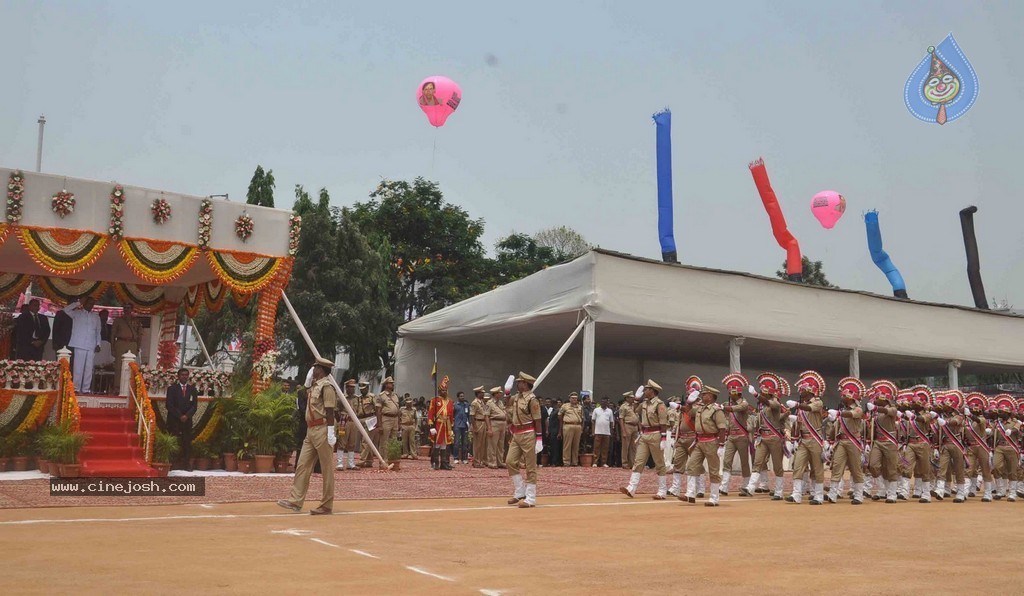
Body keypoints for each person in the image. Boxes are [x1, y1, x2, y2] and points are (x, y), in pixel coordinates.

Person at [278, 357, 337, 515]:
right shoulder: (314, 386)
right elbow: (302, 394)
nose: (313, 369)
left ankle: (326, 504)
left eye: (315, 367)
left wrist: (331, 432)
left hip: (323, 428)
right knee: (302, 465)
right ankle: (296, 500)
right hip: (311, 430)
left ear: (322, 369)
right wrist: (306, 382)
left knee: (326, 469)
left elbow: (330, 411)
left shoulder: (327, 387)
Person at [741, 373, 788, 500]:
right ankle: (750, 488)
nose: (762, 392)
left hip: (774, 437)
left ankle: (779, 491)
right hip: (763, 437)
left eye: (764, 390)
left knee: (777, 465)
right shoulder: (761, 406)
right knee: (758, 462)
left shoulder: (775, 403)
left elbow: (769, 402)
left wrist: (756, 395)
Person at [619, 380, 668, 500]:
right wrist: (636, 399)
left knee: (659, 463)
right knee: (638, 461)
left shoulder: (659, 404)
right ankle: (631, 488)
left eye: (647, 389)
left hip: (656, 434)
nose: (645, 391)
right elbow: (635, 410)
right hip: (645, 434)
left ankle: (662, 490)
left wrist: (663, 437)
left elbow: (663, 422)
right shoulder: (645, 403)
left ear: (652, 391)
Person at [685, 386, 729, 507]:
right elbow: (688, 411)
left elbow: (722, 428)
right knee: (691, 465)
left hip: (712, 441)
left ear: (711, 397)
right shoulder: (699, 408)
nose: (702, 396)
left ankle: (714, 498)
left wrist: (721, 445)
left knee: (713, 470)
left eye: (705, 394)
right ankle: (690, 494)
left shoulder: (716, 410)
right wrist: (689, 402)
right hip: (699, 441)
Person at [826, 377, 867, 505]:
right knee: (837, 466)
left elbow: (852, 415)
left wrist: (839, 414)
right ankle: (833, 493)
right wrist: (829, 440)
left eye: (844, 396)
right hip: (841, 442)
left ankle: (858, 494)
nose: (842, 398)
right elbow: (835, 428)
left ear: (851, 397)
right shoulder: (842, 410)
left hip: (853, 442)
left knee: (856, 468)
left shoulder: (858, 409)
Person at [505, 371, 542, 508]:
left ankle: (531, 497)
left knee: (530, 466)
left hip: (528, 433)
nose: (517, 384)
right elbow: (507, 402)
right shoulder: (517, 397)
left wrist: (539, 438)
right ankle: (520, 490)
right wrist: (507, 392)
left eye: (519, 382)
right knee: (510, 461)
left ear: (526, 384)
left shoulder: (532, 399)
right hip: (517, 433)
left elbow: (537, 419)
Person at [865, 380, 902, 503]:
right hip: (878, 441)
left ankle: (891, 493)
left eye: (877, 397)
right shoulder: (875, 412)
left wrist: (876, 408)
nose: (874, 399)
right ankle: (883, 489)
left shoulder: (892, 408)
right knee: (873, 465)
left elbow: (888, 412)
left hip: (889, 441)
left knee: (891, 467)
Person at [904, 386, 939, 503]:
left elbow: (921, 419)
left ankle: (926, 494)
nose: (912, 404)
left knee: (925, 469)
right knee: (906, 465)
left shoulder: (928, 414)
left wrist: (911, 416)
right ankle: (904, 491)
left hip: (922, 443)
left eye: (914, 402)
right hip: (911, 443)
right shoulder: (911, 414)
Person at [719, 373, 753, 496]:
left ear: (737, 393)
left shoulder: (744, 403)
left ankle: (746, 485)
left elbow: (737, 408)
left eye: (731, 393)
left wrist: (725, 407)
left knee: (744, 462)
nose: (729, 395)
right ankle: (724, 486)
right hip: (732, 436)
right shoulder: (729, 404)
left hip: (742, 436)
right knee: (727, 461)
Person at [935, 391, 968, 503]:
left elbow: (954, 422)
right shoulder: (941, 416)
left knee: (959, 469)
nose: (944, 407)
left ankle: (960, 492)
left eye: (947, 405)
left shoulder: (959, 416)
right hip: (945, 444)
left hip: (956, 444)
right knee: (942, 467)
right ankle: (940, 489)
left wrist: (944, 421)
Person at [63, 298, 102, 393]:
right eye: (89, 303)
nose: (90, 305)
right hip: (79, 344)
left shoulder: (96, 316)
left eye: (92, 303)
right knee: (78, 368)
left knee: (89, 369)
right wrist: (78, 303)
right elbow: (66, 310)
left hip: (91, 345)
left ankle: (85, 389)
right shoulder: (77, 313)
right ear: (84, 303)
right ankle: (76, 388)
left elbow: (98, 331)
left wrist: (98, 344)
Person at [165, 368, 198, 471]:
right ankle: (173, 463)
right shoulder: (172, 389)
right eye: (182, 375)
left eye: (186, 375)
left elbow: (194, 406)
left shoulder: (192, 389)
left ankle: (186, 464)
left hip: (187, 421)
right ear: (178, 376)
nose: (184, 377)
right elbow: (169, 405)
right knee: (174, 441)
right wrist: (180, 416)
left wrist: (187, 416)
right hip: (174, 420)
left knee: (186, 441)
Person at [963, 392, 994, 502]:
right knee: (968, 469)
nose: (972, 410)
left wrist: (971, 416)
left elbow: (979, 420)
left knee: (985, 470)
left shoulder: (982, 419)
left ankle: (988, 493)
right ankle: (964, 492)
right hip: (971, 447)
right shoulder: (966, 421)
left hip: (981, 447)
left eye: (974, 409)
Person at [991, 395, 1020, 502]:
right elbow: (992, 434)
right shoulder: (997, 423)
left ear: (1007, 413)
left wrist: (1011, 431)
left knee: (1012, 471)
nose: (999, 414)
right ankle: (1001, 490)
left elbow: (1017, 430)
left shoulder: (1015, 422)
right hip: (1000, 447)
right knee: (996, 466)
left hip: (1011, 447)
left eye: (1001, 412)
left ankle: (1012, 493)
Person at [110, 304, 141, 392]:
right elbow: (112, 334)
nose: (126, 309)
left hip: (132, 343)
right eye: (125, 308)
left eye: (128, 308)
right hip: (120, 343)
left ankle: (129, 387)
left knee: (131, 366)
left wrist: (138, 346)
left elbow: (140, 335)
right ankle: (117, 387)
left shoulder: (136, 320)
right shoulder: (118, 320)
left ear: (132, 309)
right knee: (119, 365)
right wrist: (112, 347)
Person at [428, 378, 455, 470]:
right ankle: (435, 462)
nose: (444, 392)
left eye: (445, 390)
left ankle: (443, 463)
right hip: (438, 424)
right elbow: (431, 413)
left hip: (446, 425)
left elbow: (451, 415)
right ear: (439, 391)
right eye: (442, 390)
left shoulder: (450, 401)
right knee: (437, 444)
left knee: (444, 444)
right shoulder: (434, 400)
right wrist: (431, 426)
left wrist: (451, 427)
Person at [375, 376, 401, 461]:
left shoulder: (395, 395)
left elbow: (398, 408)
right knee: (384, 441)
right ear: (386, 385)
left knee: (394, 440)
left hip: (395, 419)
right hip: (386, 418)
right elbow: (378, 411)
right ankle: (383, 460)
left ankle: (392, 459)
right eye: (391, 383)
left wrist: (399, 422)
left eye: (393, 383)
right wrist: (379, 424)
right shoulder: (381, 396)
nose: (392, 384)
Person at [339, 379, 361, 470]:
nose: (352, 389)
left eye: (353, 387)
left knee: (352, 443)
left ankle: (350, 463)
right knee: (342, 442)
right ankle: (339, 463)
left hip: (354, 422)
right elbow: (337, 410)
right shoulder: (342, 398)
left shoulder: (357, 398)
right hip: (345, 421)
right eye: (350, 387)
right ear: (346, 388)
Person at [357, 382, 380, 467]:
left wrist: (378, 421)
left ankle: (362, 459)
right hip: (360, 419)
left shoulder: (372, 397)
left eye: (364, 389)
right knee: (366, 440)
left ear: (367, 388)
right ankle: (369, 460)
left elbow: (377, 409)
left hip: (370, 419)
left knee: (366, 440)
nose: (362, 391)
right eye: (361, 390)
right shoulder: (359, 398)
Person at [557, 393, 583, 466]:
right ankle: (566, 462)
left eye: (575, 398)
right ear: (569, 399)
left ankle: (575, 462)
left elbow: (582, 417)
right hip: (568, 425)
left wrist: (582, 427)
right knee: (567, 444)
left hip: (577, 426)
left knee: (576, 445)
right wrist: (562, 426)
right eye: (572, 398)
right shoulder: (565, 406)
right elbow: (559, 416)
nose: (574, 399)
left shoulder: (580, 407)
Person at [469, 387, 491, 467]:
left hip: (483, 423)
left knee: (483, 444)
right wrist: (474, 427)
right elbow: (472, 416)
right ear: (478, 393)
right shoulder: (474, 403)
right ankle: (476, 461)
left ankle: (482, 460)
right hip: (478, 423)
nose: (483, 394)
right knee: (477, 444)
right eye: (482, 393)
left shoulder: (482, 402)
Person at [487, 387, 508, 468]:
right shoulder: (489, 403)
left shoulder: (500, 403)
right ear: (495, 394)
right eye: (499, 393)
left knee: (501, 444)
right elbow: (486, 416)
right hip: (494, 423)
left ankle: (500, 461)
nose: (500, 394)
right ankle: (492, 462)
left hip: (502, 423)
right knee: (492, 444)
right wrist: (489, 428)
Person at [591, 397, 615, 467]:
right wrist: (593, 431)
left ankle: (603, 462)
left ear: (607, 403)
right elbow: (593, 421)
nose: (603, 403)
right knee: (596, 448)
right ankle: (595, 462)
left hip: (606, 433)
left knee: (605, 448)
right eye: (602, 402)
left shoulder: (610, 411)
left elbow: (611, 422)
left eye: (605, 402)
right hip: (597, 432)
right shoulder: (596, 410)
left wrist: (611, 432)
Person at [618, 392, 639, 468]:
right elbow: (621, 419)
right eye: (631, 397)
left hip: (635, 426)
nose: (633, 399)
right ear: (627, 398)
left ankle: (632, 463)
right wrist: (623, 431)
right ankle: (624, 463)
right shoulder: (623, 407)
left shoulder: (634, 406)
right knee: (625, 446)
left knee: (634, 446)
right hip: (627, 426)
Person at [453, 391, 470, 464]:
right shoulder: (455, 405)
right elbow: (452, 415)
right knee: (457, 442)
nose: (462, 397)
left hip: (465, 426)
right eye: (461, 396)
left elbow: (469, 415)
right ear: (458, 397)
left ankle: (464, 458)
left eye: (463, 396)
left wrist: (470, 424)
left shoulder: (466, 405)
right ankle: (456, 458)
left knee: (465, 443)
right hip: (457, 425)